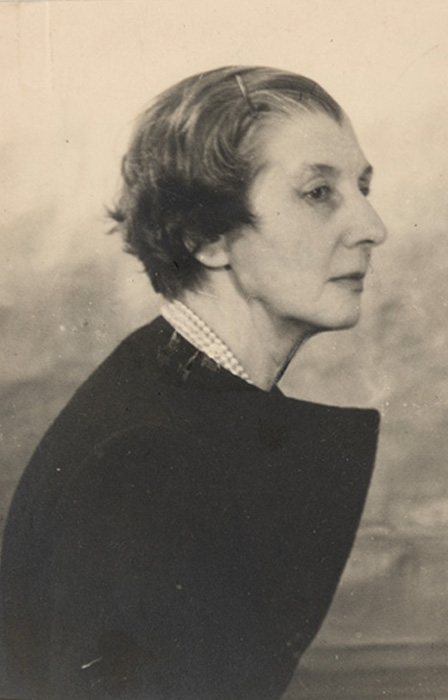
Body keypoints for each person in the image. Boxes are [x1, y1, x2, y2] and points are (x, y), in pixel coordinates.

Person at [0, 66, 387, 699]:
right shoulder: (149, 463)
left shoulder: (173, 400)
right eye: (319, 192)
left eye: (363, 188)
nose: (373, 227)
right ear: (205, 236)